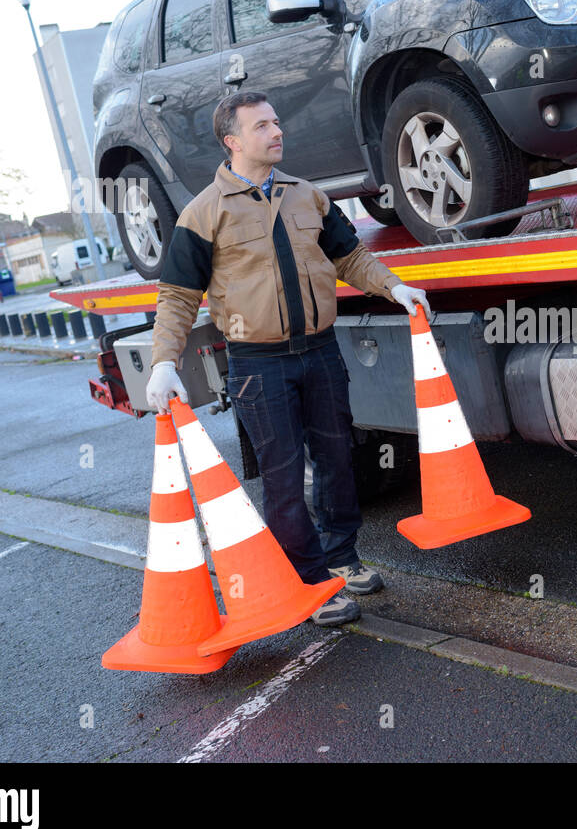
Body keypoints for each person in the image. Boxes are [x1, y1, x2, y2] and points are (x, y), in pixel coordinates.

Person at [145, 90, 431, 626]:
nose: (277, 132)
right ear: (232, 141)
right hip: (259, 364)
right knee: (281, 476)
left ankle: (341, 559)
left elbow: (351, 256)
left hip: (321, 352)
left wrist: (395, 288)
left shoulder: (309, 196)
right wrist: (164, 362)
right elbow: (177, 297)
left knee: (338, 458)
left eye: (276, 122)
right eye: (262, 126)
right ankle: (310, 583)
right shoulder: (204, 212)